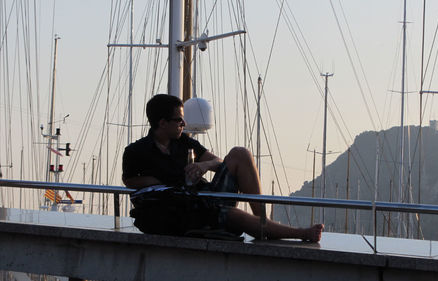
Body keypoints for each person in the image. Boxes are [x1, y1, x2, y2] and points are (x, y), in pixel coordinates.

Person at [122, 94, 323, 242]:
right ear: (163, 123)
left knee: (240, 153)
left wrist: (204, 164)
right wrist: (163, 182)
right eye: (178, 119)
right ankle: (301, 233)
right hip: (185, 209)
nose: (184, 123)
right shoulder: (137, 151)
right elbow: (130, 180)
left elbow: (218, 161)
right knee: (231, 215)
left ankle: (262, 219)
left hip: (204, 195)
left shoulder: (184, 142)